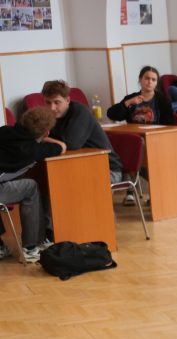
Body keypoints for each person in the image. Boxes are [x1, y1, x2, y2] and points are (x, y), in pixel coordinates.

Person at [0, 107, 65, 263]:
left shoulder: (4, 131)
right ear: (46, 133)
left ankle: (1, 247)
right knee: (31, 187)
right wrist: (46, 138)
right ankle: (30, 248)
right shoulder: (32, 150)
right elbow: (61, 147)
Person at [42, 79, 122, 184]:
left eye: (57, 102)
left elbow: (72, 144)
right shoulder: (52, 115)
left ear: (67, 100)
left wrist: (45, 139)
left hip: (108, 169)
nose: (52, 108)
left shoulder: (80, 112)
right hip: (81, 165)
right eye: (48, 102)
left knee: (67, 182)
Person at [106, 66, 174, 126]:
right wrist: (127, 103)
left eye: (153, 80)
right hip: (135, 134)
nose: (150, 82)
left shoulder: (164, 100)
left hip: (155, 135)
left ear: (156, 83)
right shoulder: (130, 98)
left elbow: (170, 125)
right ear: (140, 79)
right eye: (147, 78)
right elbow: (111, 115)